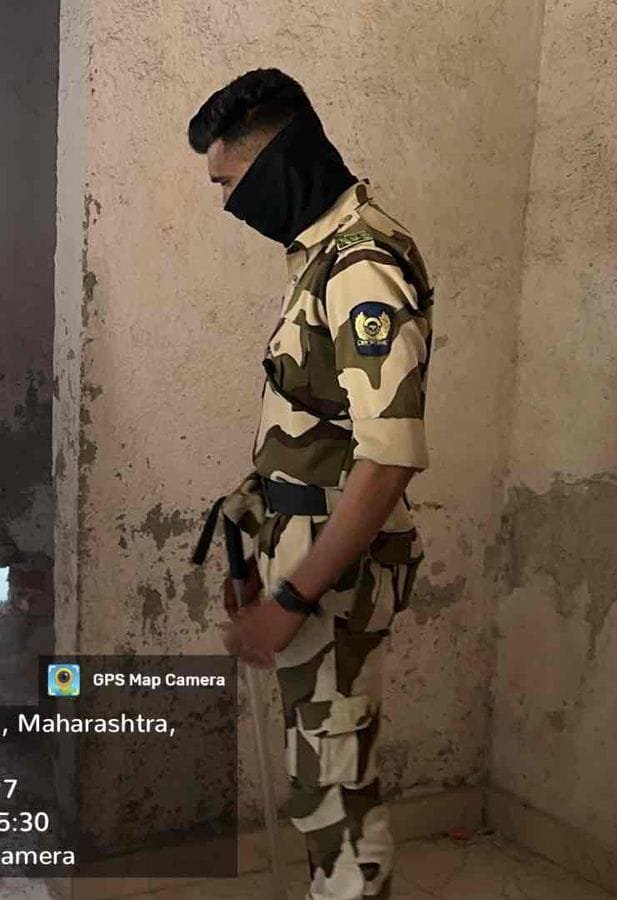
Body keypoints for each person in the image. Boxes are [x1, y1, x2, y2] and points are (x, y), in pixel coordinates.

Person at [187, 70, 434, 899]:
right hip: (301, 546)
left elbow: (388, 457)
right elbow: (311, 433)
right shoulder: (321, 258)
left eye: (229, 181)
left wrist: (293, 595)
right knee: (319, 772)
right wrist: (254, 545)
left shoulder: (361, 267)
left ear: (278, 163)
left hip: (334, 568)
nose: (227, 204)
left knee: (334, 784)